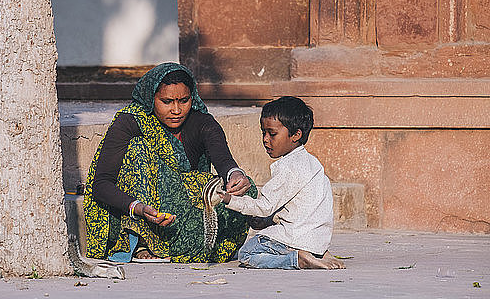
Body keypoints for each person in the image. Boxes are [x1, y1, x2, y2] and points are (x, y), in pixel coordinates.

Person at [83, 62, 256, 263]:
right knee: (139, 148)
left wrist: (234, 174)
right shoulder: (130, 122)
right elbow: (101, 184)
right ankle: (143, 242)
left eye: (184, 101)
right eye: (166, 102)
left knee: (247, 189)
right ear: (151, 99)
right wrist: (138, 208)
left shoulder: (201, 121)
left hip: (185, 206)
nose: (176, 110)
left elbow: (223, 159)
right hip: (143, 209)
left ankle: (189, 244)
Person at [220, 96, 345, 269]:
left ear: (296, 135)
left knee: (247, 253)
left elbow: (264, 207)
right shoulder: (313, 163)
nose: (265, 139)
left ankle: (296, 260)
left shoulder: (288, 168)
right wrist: (267, 221)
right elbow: (298, 208)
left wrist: (229, 199)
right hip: (317, 240)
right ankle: (317, 254)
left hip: (295, 237)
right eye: (263, 132)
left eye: (272, 134)